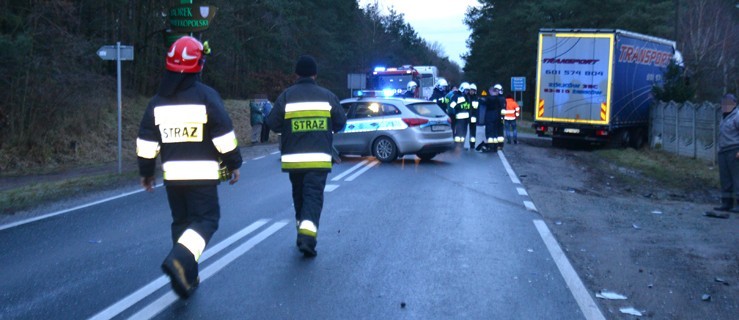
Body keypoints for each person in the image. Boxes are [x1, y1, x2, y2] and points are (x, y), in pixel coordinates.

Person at [136, 36, 242, 299]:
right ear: (199, 65)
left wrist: (147, 173)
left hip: (173, 179)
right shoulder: (206, 96)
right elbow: (223, 136)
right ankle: (180, 260)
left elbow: (146, 141)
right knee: (206, 220)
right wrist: (234, 164)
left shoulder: (157, 101)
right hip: (202, 177)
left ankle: (187, 278)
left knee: (182, 223)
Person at [266, 55, 346, 257]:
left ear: (296, 74)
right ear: (315, 74)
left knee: (299, 195)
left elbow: (272, 123)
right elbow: (341, 122)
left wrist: (289, 127)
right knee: (313, 197)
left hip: (294, 160)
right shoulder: (327, 96)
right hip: (318, 159)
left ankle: (301, 232)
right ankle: (307, 238)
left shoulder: (286, 96)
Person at [714, 93, 739, 212]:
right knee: (725, 179)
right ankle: (726, 204)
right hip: (723, 151)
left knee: (737, 179)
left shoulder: (737, 116)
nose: (725, 105)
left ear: (734, 103)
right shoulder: (724, 116)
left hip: (734, 151)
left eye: (728, 102)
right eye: (723, 102)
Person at [478, 84, 505, 152]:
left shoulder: (489, 99)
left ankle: (491, 147)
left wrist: (479, 99)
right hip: (498, 118)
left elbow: (483, 102)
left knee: (490, 133)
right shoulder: (501, 99)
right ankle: (496, 147)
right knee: (495, 133)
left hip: (490, 118)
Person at [467, 83, 480, 150]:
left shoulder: (476, 98)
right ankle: (460, 144)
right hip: (466, 117)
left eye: (473, 90)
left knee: (472, 132)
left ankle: (472, 144)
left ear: (475, 91)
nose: (471, 91)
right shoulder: (466, 97)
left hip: (473, 117)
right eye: (470, 90)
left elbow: (476, 109)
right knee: (463, 131)